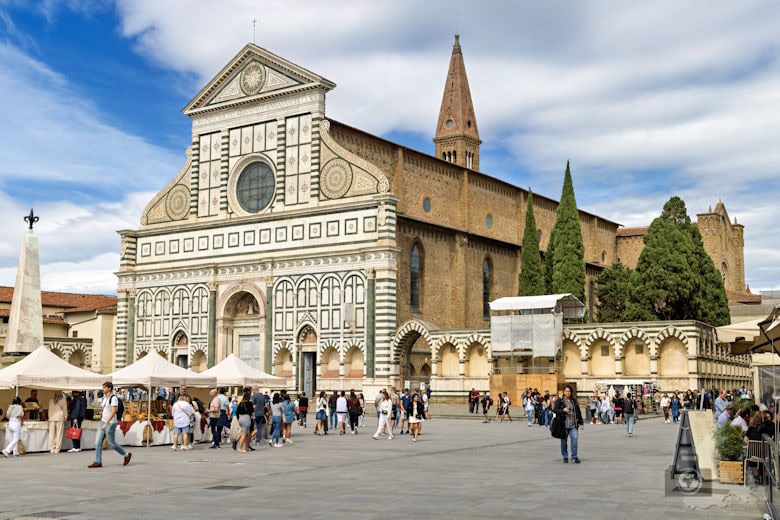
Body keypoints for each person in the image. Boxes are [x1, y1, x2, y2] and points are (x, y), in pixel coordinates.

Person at [89, 381, 132, 468]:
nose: (103, 389)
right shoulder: (105, 398)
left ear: (109, 388)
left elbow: (113, 412)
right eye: (103, 387)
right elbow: (105, 409)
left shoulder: (114, 398)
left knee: (112, 443)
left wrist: (106, 423)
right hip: (103, 421)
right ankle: (98, 461)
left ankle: (126, 454)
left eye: (104, 387)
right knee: (97, 442)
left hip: (111, 423)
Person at [555, 385, 584, 463]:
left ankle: (574, 457)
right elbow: (555, 410)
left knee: (574, 440)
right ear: (564, 392)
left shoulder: (573, 401)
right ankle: (565, 456)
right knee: (563, 442)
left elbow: (578, 412)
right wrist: (563, 410)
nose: (568, 393)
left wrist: (581, 422)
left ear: (571, 392)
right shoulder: (560, 401)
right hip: (563, 425)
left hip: (573, 425)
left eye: (569, 391)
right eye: (566, 391)